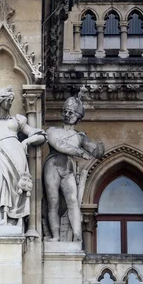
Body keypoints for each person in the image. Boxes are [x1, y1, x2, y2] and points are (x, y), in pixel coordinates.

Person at [0, 86, 46, 229]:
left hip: (16, 154)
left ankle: (11, 220)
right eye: (7, 100)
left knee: (14, 189)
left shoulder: (17, 120)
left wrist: (26, 141)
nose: (10, 103)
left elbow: (40, 136)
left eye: (12, 100)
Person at [43, 91, 104, 242]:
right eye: (65, 111)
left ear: (78, 117)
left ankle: (77, 236)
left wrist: (99, 148)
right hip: (52, 165)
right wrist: (80, 152)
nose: (68, 114)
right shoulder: (52, 130)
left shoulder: (80, 136)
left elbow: (96, 151)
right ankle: (56, 236)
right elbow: (58, 144)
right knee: (53, 202)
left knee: (72, 201)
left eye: (72, 112)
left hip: (68, 168)